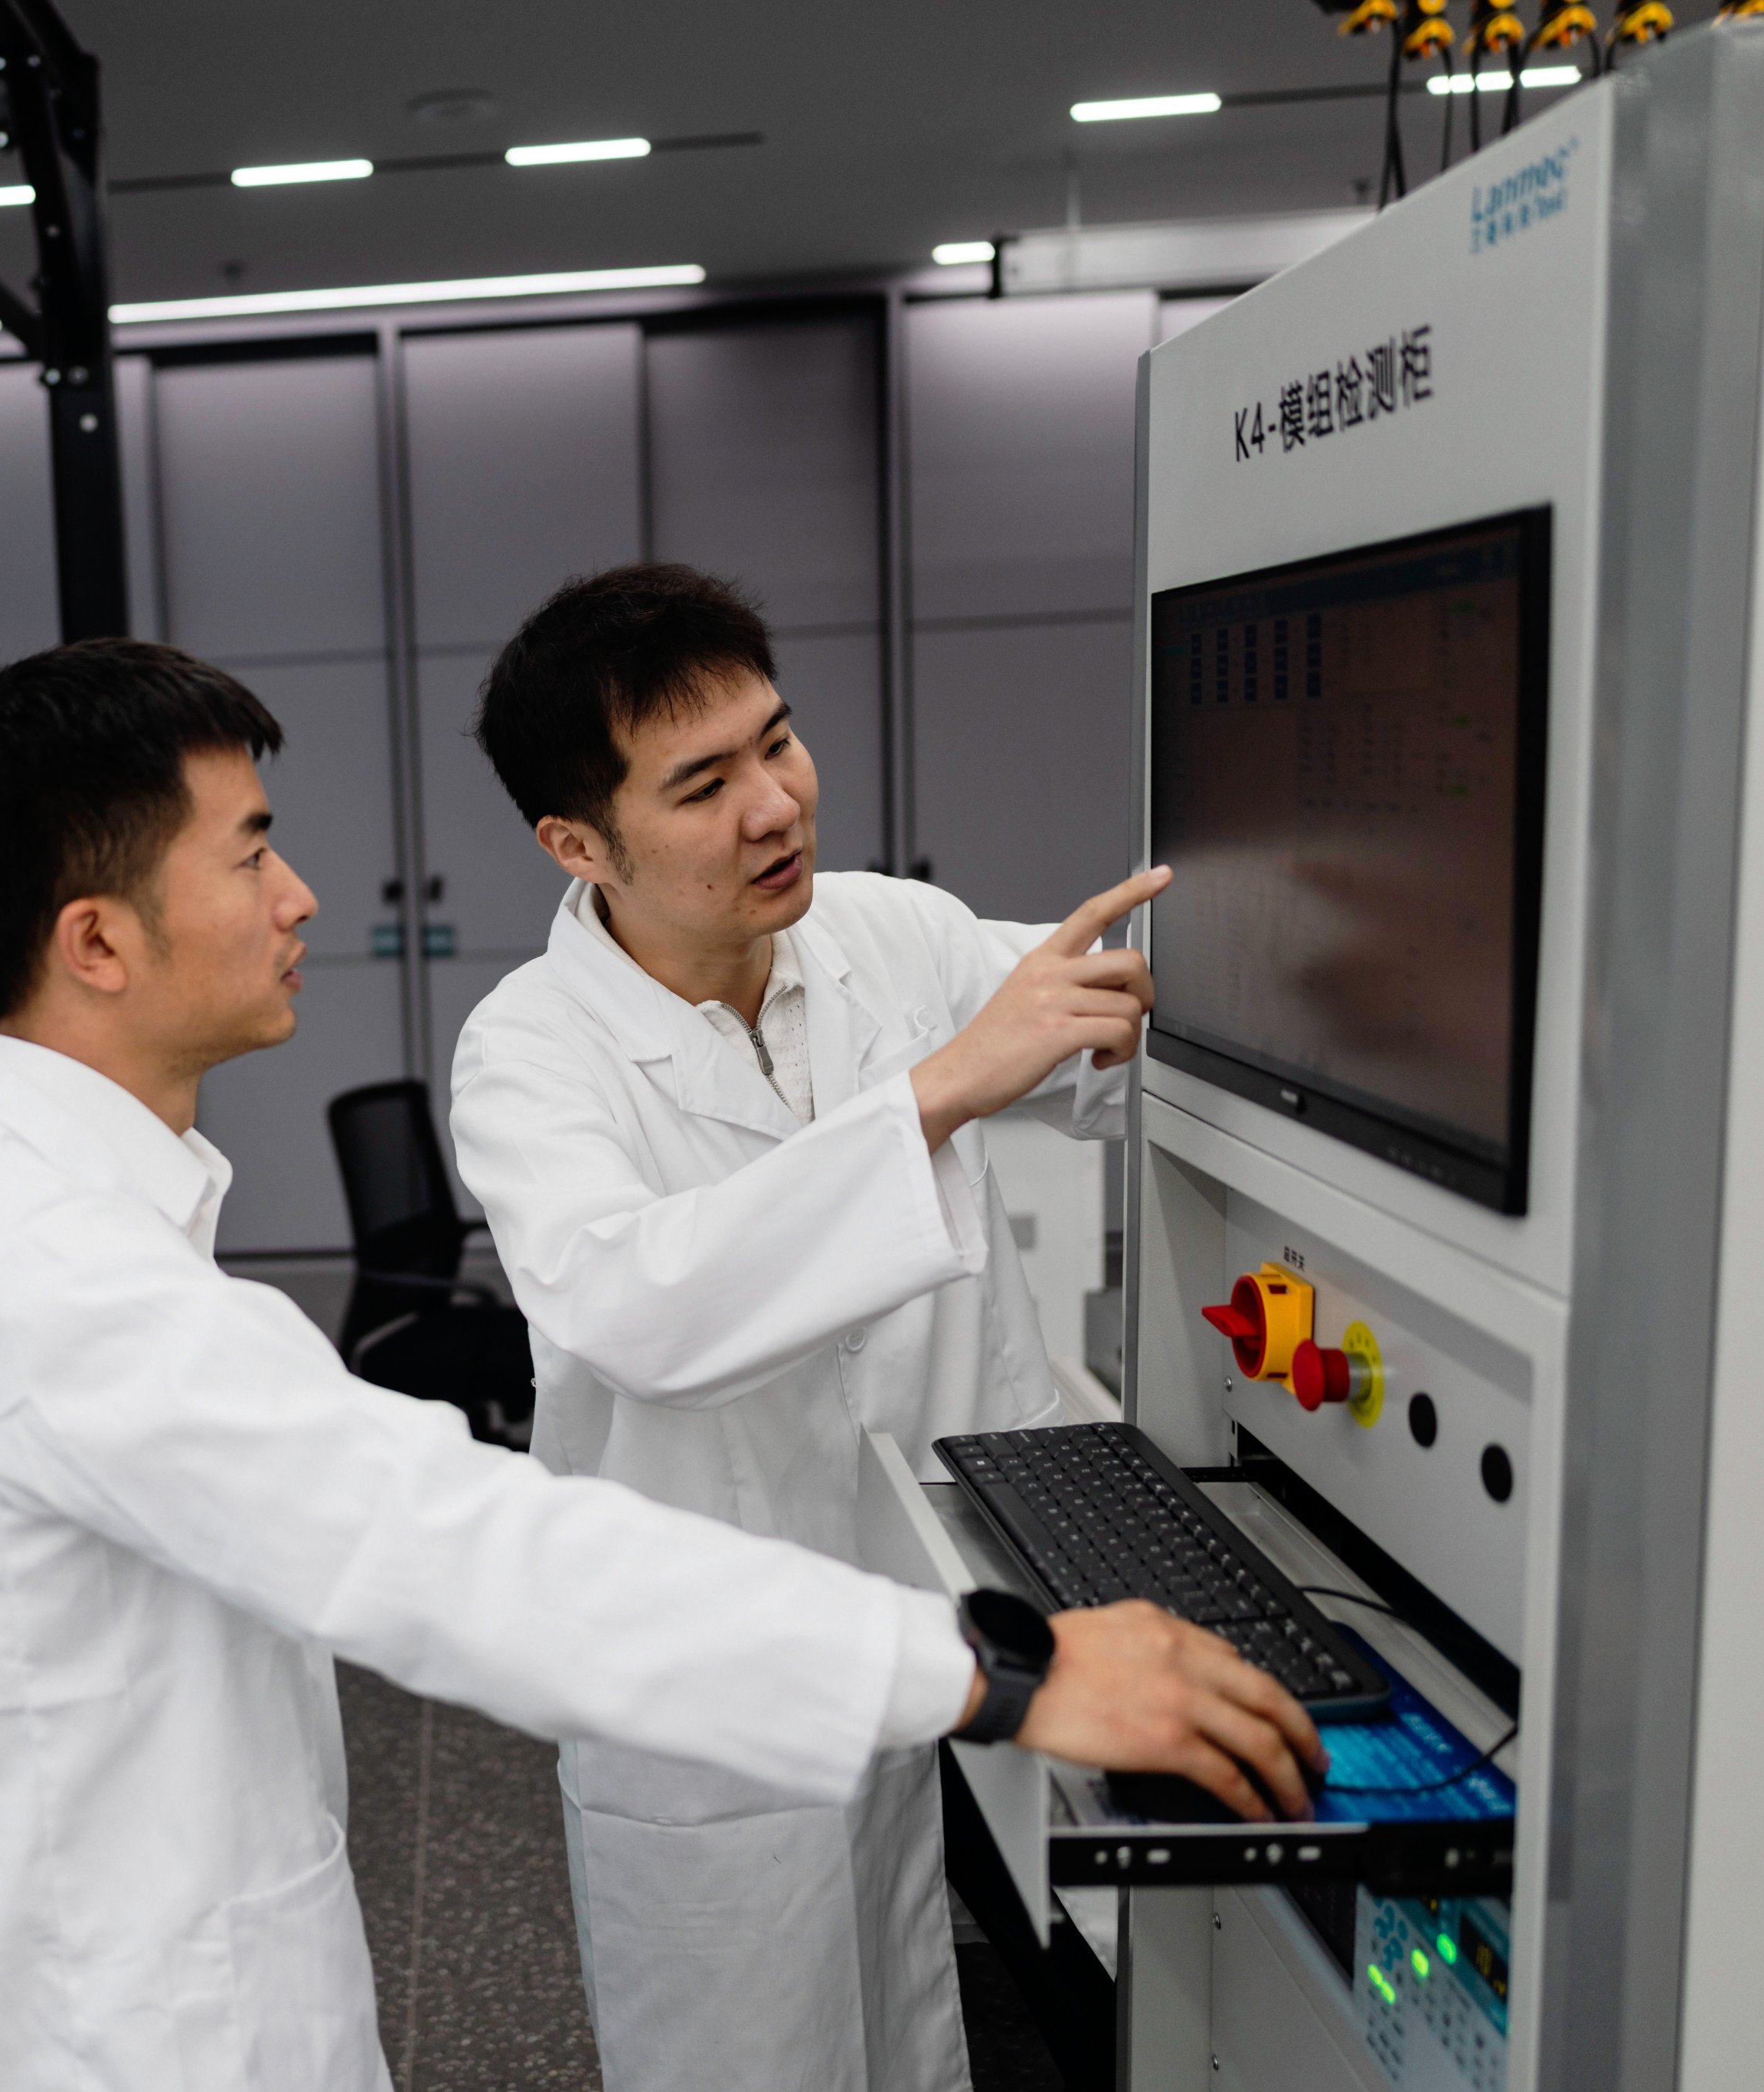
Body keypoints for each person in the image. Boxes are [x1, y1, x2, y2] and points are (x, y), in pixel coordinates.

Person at [0, 636, 1320, 2091]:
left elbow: (1118, 1021)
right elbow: (448, 1539)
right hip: (106, 2029)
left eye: (773, 746)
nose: (299, 895)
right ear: (98, 942)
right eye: (250, 855)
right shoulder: (57, 1274)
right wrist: (990, 1669)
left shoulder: (33, 1222)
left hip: (146, 1967)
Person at [449, 563, 1163, 2092]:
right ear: (577, 843)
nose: (773, 807)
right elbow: (637, 1304)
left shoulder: (886, 934)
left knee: (954, 2012)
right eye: (701, 785)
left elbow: (1111, 1037)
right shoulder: (529, 1053)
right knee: (753, 2050)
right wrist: (938, 1093)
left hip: (955, 1587)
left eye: (776, 743)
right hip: (715, 1664)